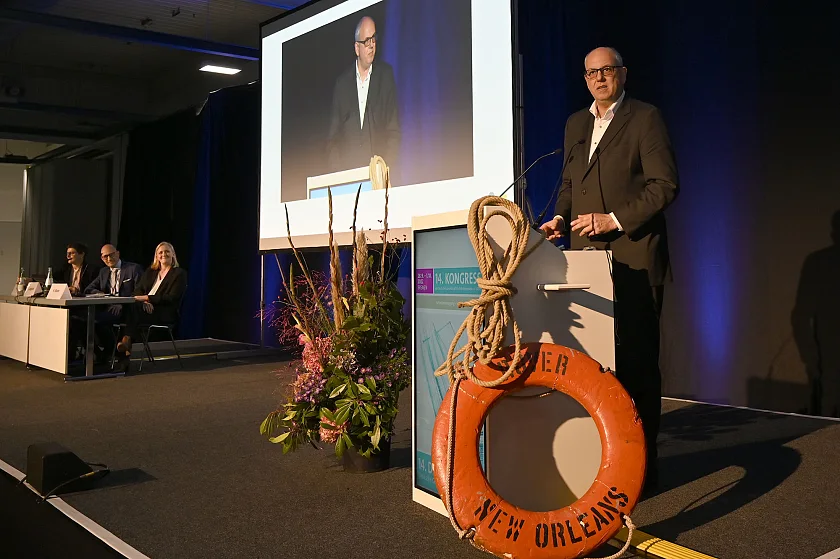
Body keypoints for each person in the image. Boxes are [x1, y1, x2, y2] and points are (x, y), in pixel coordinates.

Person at [540, 47, 679, 490]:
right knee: (596, 364)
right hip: (586, 261)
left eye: (608, 70)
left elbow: (664, 186)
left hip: (634, 259)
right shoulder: (576, 124)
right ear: (585, 80)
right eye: (592, 73)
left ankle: (644, 469)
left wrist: (613, 220)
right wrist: (560, 217)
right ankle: (603, 464)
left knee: (637, 364)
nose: (600, 78)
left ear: (622, 74)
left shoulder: (645, 118)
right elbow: (568, 183)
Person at [327, 15, 400, 173]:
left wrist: (385, 172)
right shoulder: (342, 84)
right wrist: (340, 177)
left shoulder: (385, 76)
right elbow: (333, 139)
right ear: (357, 48)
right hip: (348, 180)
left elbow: (393, 132)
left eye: (374, 39)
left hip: (379, 178)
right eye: (367, 41)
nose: (372, 46)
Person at [116, 242, 187, 363]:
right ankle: (126, 345)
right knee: (129, 307)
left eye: (167, 252)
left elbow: (171, 298)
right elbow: (137, 292)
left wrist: (147, 299)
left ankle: (126, 345)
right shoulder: (150, 272)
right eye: (160, 252)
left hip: (163, 312)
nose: (163, 254)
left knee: (131, 312)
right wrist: (144, 302)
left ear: (173, 255)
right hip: (144, 309)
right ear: (156, 256)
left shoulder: (179, 273)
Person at [84, 244, 144, 360]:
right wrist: (102, 294)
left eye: (111, 255)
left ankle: (116, 351)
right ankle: (111, 351)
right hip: (109, 308)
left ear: (118, 253)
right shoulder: (103, 272)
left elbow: (139, 291)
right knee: (89, 320)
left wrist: (120, 303)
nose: (109, 259)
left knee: (100, 321)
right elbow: (89, 289)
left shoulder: (133, 269)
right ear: (102, 258)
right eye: (105, 257)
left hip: (128, 310)